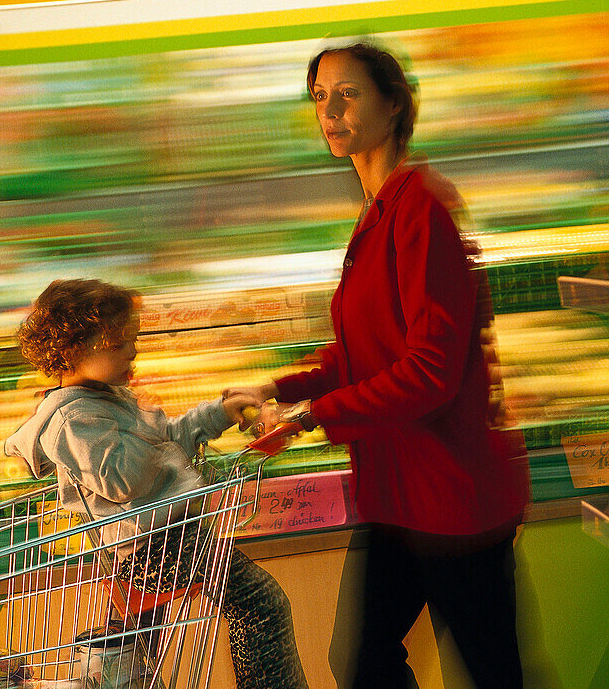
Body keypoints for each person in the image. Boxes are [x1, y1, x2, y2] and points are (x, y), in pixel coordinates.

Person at [225, 42, 530, 688]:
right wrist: (277, 384)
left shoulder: (423, 210)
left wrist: (311, 414)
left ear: (394, 104)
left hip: (452, 501)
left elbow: (429, 372)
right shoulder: (380, 211)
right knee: (369, 663)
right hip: (403, 492)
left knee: (472, 672)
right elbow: (365, 352)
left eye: (348, 93)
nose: (329, 110)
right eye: (319, 96)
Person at [5, 278, 308, 689]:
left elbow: (165, 438)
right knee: (261, 605)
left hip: (160, 537)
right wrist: (159, 441)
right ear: (71, 350)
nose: (132, 351)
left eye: (133, 338)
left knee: (132, 651)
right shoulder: (70, 420)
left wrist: (217, 414)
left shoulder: (105, 399)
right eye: (118, 342)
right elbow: (124, 480)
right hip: (151, 545)